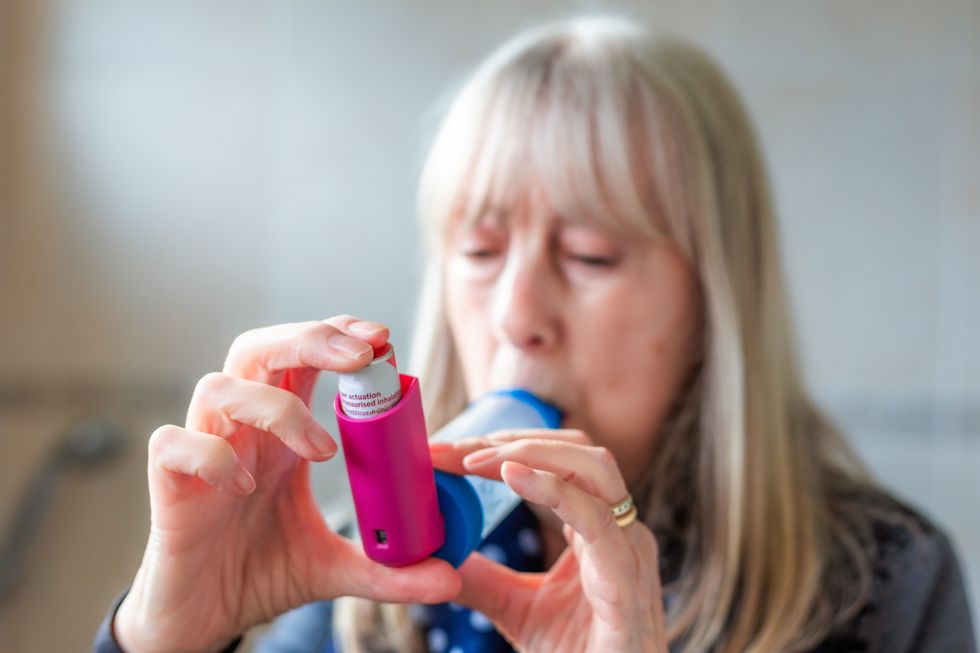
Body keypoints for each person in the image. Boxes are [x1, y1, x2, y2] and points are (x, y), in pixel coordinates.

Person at [94, 14, 976, 653]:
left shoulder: (883, 586)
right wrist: (166, 637)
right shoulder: (354, 581)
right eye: (478, 250)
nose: (517, 314)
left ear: (714, 302)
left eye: (590, 256)